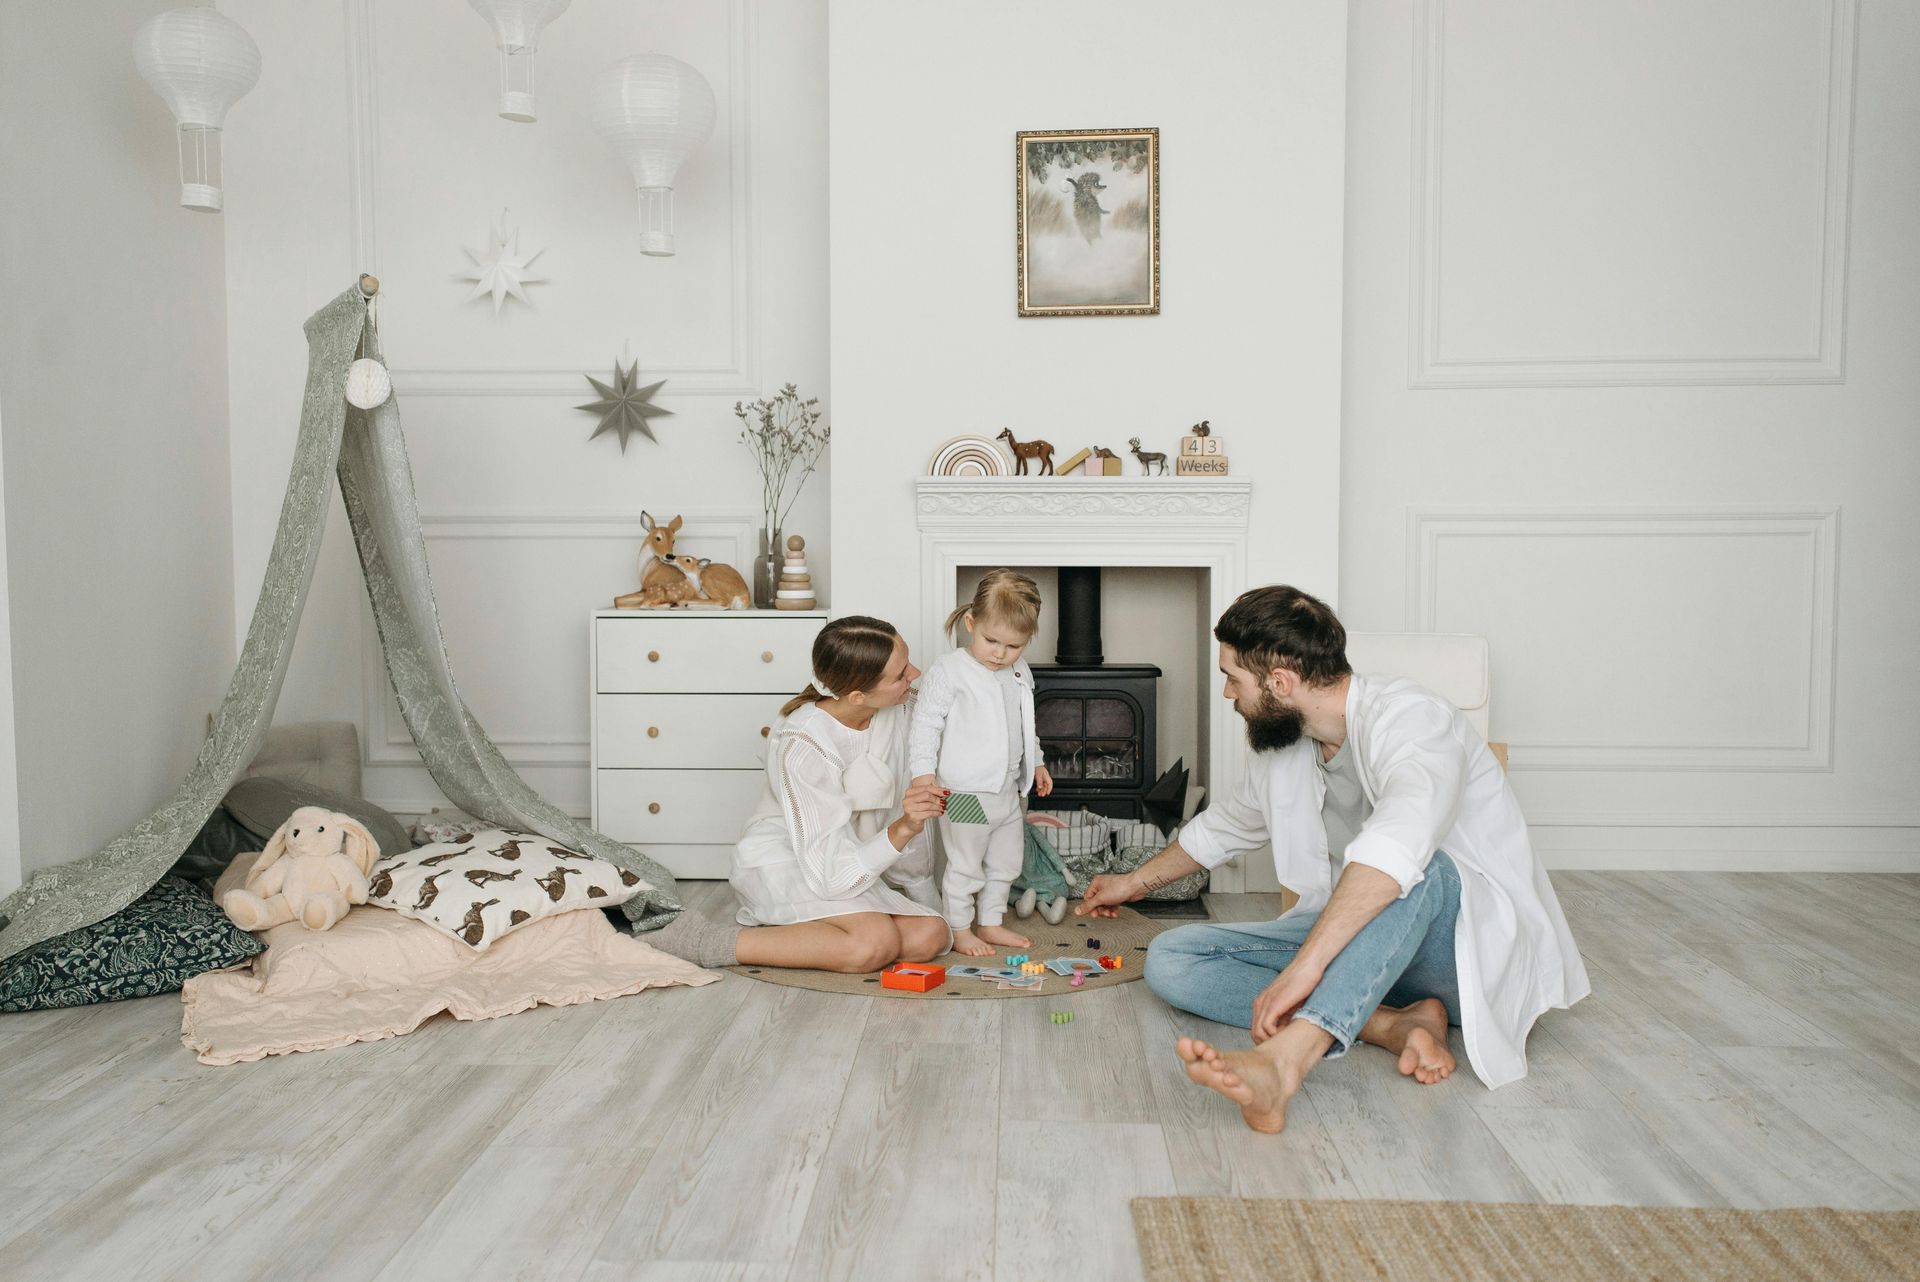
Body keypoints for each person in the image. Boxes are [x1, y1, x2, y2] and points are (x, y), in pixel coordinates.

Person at [1079, 585, 1589, 1134]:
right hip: (1356, 951)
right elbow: (1225, 828)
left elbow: (1398, 849)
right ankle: (1392, 1025)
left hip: (1458, 958)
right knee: (1171, 959)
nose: (1228, 694)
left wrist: (1305, 968)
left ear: (1280, 683)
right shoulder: (1286, 747)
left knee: (1422, 867)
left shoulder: (1414, 721)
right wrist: (1133, 884)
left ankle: (1287, 1060)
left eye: (1233, 678)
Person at [643, 616, 951, 972]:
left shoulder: (899, 706)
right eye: (900, 674)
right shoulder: (803, 742)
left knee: (931, 935)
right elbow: (828, 872)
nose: (915, 674)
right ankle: (706, 940)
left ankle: (811, 933)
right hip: (792, 856)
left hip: (848, 853)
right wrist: (902, 828)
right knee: (873, 943)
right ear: (857, 695)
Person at [909, 570, 1055, 956]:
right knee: (966, 864)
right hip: (963, 792)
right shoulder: (950, 671)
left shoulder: (1018, 671)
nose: (1000, 653)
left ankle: (990, 922)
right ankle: (959, 928)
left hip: (1007, 790)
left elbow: (1027, 724)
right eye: (991, 641)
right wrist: (923, 775)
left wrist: (1037, 763)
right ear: (971, 624)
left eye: (1014, 645)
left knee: (1007, 862)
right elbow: (925, 724)